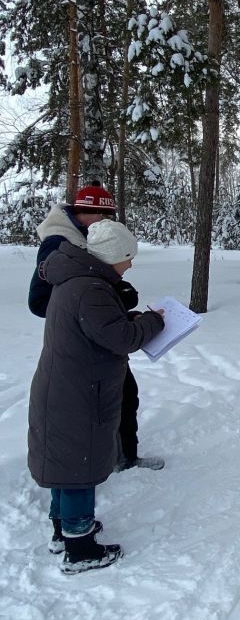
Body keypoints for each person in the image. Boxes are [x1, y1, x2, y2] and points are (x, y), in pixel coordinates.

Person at [28, 219, 165, 574]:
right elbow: (122, 339)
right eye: (128, 258)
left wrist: (133, 318)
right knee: (78, 468)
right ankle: (80, 548)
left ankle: (63, 530)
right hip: (78, 392)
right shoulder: (91, 288)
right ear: (112, 257)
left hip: (66, 386)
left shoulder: (77, 281)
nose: (130, 265)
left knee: (65, 465)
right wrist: (152, 323)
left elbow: (102, 328)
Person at [28, 182, 163, 471]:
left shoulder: (89, 237)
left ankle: (123, 456)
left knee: (125, 396)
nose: (106, 223)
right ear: (85, 212)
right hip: (82, 350)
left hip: (100, 339)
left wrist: (114, 302)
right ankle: (99, 466)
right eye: (104, 216)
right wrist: (105, 304)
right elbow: (40, 302)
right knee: (99, 409)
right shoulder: (57, 242)